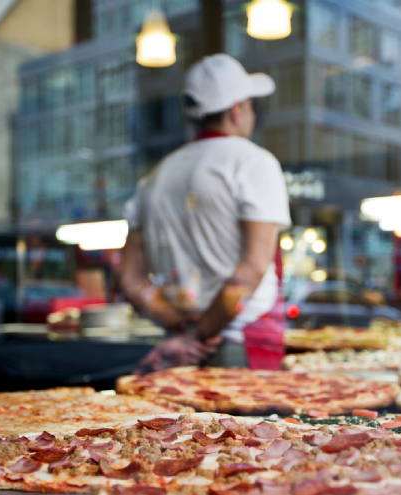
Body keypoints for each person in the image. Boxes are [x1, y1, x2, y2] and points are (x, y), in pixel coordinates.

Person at [120, 54, 291, 371]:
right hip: (241, 346)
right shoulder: (253, 162)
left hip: (177, 349)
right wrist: (198, 335)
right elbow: (251, 268)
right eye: (251, 105)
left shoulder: (155, 176)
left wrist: (178, 327)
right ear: (236, 110)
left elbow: (131, 279)